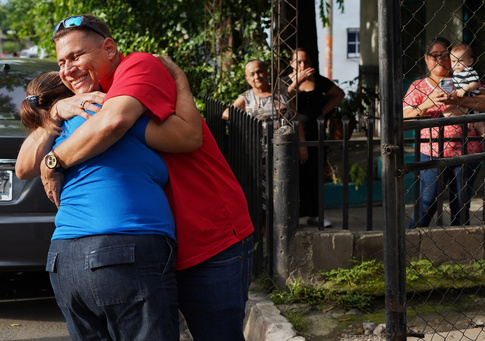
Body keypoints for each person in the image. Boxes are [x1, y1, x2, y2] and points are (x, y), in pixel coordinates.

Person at [17, 14, 254, 341]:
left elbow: (121, 125)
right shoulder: (83, 108)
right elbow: (22, 166)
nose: (68, 68)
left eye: (77, 56)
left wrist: (53, 161)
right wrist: (56, 113)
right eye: (61, 61)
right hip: (154, 245)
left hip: (207, 238)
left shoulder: (136, 67)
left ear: (109, 49)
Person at [18, 70, 196, 339]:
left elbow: (22, 168)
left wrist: (53, 115)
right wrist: (180, 81)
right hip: (126, 251)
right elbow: (189, 138)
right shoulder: (107, 113)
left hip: (64, 260)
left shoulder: (53, 134)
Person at [403, 36, 485, 228]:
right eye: (433, 55)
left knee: (460, 205)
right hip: (432, 152)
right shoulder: (418, 86)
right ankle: (413, 245)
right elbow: (404, 116)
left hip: (467, 150)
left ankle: (460, 251)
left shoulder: (464, 80)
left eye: (444, 55)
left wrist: (454, 99)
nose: (439, 60)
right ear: (426, 58)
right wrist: (428, 103)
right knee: (427, 202)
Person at [285, 48, 345, 228]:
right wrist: (297, 82)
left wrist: (324, 112)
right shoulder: (286, 82)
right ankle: (292, 215)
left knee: (315, 173)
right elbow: (282, 99)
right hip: (293, 133)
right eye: (298, 62)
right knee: (295, 174)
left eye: (306, 62)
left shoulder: (318, 80)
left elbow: (339, 94)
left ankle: (316, 214)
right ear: (292, 64)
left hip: (315, 132)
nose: (303, 65)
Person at [222, 59, 308, 163]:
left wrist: (302, 145)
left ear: (267, 72)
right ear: (247, 78)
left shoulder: (283, 93)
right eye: (252, 74)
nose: (257, 77)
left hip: (285, 149)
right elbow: (226, 114)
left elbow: (295, 118)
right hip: (257, 154)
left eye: (259, 72)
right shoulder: (246, 97)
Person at [449, 43, 485, 139]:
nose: (456, 64)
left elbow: (474, 83)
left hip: (472, 100)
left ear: (469, 62)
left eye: (460, 60)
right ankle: (466, 121)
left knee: (480, 125)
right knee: (447, 113)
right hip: (461, 103)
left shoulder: (469, 71)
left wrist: (464, 89)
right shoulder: (455, 74)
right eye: (453, 61)